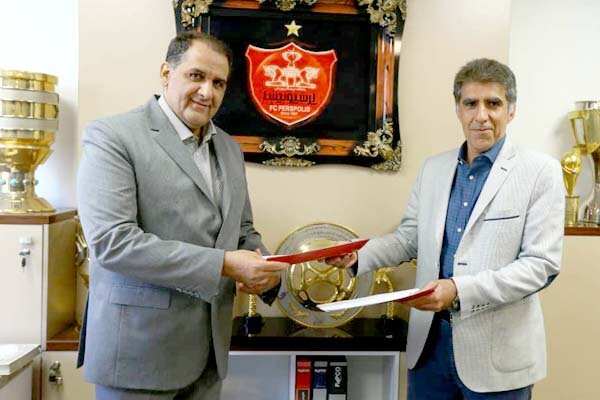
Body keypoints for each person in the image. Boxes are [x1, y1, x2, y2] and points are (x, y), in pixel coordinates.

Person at [327, 58, 564, 399]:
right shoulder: (433, 169)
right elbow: (410, 238)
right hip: (430, 349)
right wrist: (358, 256)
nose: (481, 116)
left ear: (511, 110)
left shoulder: (541, 172)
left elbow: (540, 266)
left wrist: (458, 290)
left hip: (497, 360)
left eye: (493, 103)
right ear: (458, 109)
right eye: (470, 103)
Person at [76, 31, 289, 399]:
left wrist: (269, 273)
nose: (207, 92)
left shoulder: (229, 148)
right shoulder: (112, 136)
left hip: (208, 357)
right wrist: (226, 264)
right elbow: (114, 243)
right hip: (137, 356)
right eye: (196, 76)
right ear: (166, 73)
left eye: (218, 83)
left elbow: (241, 231)